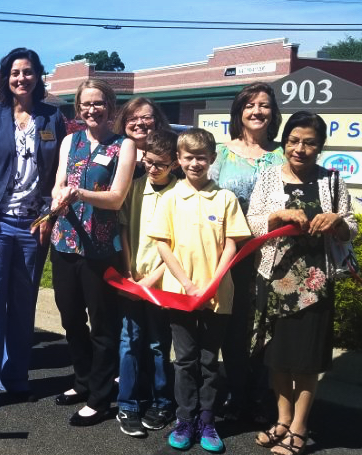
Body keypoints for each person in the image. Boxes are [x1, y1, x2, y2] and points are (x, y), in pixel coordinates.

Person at [247, 111, 357, 455]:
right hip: (275, 277)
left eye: (309, 142)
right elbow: (252, 223)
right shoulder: (267, 178)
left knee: (307, 360)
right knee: (277, 358)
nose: (300, 148)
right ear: (284, 143)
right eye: (293, 141)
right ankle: (281, 419)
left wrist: (337, 220)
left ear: (320, 146)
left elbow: (352, 227)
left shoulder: (332, 181)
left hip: (316, 282)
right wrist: (276, 216)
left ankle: (299, 426)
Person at [0, 47, 66, 416]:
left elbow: (58, 172)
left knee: (23, 306)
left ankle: (16, 377)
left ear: (38, 76)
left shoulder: (52, 117)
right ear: (5, 78)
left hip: (33, 226)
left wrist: (49, 218)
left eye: (27, 72)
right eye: (14, 72)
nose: (20, 78)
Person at [148, 128, 251, 452]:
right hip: (180, 295)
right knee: (185, 360)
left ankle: (207, 421)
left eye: (201, 157)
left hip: (218, 295)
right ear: (178, 160)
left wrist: (213, 282)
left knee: (209, 361)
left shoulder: (225, 199)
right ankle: (184, 420)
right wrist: (189, 284)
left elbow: (232, 243)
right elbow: (164, 246)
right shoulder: (169, 198)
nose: (195, 163)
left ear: (212, 160)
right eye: (188, 157)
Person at [49, 78, 136, 426]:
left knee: (103, 325)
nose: (91, 109)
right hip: (65, 242)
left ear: (110, 106)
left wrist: (79, 194)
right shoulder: (71, 141)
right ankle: (82, 380)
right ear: (78, 108)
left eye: (98, 103)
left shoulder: (123, 146)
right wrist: (59, 195)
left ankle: (100, 397)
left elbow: (116, 198)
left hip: (100, 249)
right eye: (85, 104)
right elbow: (57, 182)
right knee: (71, 319)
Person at [208, 82, 285, 422]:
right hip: (230, 255)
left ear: (273, 113)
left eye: (264, 105)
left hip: (274, 255)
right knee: (235, 325)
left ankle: (263, 392)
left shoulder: (284, 154)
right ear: (238, 112)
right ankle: (237, 392)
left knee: (268, 326)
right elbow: (204, 199)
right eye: (250, 105)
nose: (257, 111)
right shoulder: (221, 153)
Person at [114, 129, 179, 437]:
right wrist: (129, 273)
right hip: (134, 279)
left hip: (162, 284)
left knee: (157, 343)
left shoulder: (181, 194)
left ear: (175, 164)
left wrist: (152, 281)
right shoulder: (136, 187)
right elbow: (125, 230)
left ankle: (162, 401)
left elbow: (180, 246)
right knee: (129, 341)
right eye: (149, 162)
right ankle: (127, 403)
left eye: (161, 164)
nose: (153, 168)